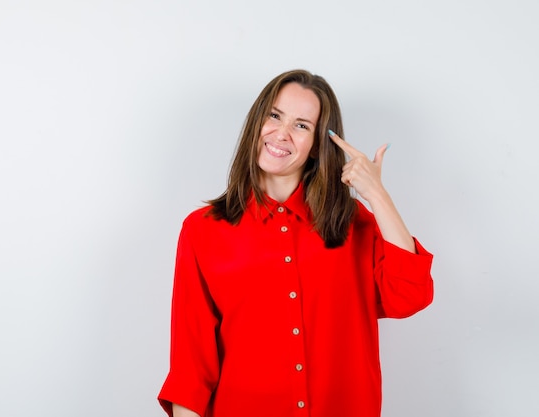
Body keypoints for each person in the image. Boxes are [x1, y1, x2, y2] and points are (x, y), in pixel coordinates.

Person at [158, 69, 434, 417]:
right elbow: (191, 366)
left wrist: (377, 195)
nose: (282, 134)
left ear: (319, 143)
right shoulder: (202, 230)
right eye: (275, 116)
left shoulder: (352, 222)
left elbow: (408, 296)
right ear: (257, 121)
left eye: (302, 125)